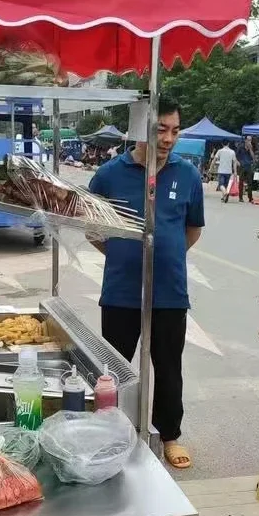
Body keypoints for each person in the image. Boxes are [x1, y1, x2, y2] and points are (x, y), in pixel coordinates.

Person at [89, 98, 204, 470]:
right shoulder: (109, 174)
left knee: (169, 367)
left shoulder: (187, 175)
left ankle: (169, 434)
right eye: (160, 130)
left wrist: (163, 260)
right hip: (122, 292)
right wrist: (125, 256)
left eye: (175, 130)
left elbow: (192, 229)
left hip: (169, 291)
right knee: (116, 368)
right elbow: (90, 227)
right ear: (140, 129)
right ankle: (112, 432)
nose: (169, 138)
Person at [236, 136, 255, 203]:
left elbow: (253, 157)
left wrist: (250, 149)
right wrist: (238, 162)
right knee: (241, 182)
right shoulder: (240, 147)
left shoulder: (251, 148)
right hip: (242, 166)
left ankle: (250, 197)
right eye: (248, 140)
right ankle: (240, 197)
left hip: (249, 166)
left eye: (251, 140)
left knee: (250, 182)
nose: (249, 141)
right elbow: (236, 156)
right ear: (245, 140)